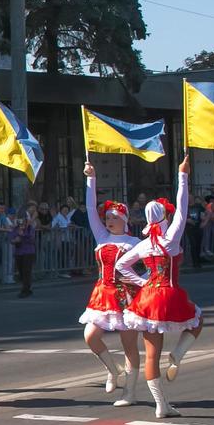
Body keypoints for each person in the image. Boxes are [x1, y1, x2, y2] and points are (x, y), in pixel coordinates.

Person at [116, 155, 201, 419]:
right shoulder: (171, 237)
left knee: (151, 353)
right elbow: (184, 207)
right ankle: (177, 354)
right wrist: (183, 176)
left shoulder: (144, 244)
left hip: (148, 297)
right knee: (197, 321)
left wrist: (143, 282)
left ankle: (161, 405)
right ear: (164, 215)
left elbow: (121, 267)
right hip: (169, 292)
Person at [79, 163, 145, 406]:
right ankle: (113, 370)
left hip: (127, 296)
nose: (108, 220)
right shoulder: (102, 236)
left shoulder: (134, 241)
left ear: (124, 219)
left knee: (129, 346)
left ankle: (130, 392)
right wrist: (92, 179)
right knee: (91, 336)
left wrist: (146, 281)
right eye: (107, 217)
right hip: (102, 294)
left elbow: (148, 266)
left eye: (113, 217)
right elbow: (88, 208)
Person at [9, 209, 38, 297]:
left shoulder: (30, 228)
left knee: (26, 271)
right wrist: (14, 240)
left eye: (23, 219)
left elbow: (32, 238)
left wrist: (23, 235)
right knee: (21, 272)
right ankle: (27, 287)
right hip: (19, 252)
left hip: (28, 252)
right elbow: (11, 238)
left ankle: (25, 290)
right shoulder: (16, 228)